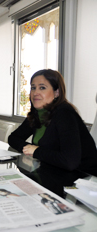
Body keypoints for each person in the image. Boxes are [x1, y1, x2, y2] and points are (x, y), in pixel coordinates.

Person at [8, 69, 97, 197]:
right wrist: (29, 149)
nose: (35, 92)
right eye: (33, 88)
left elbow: (69, 161)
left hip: (83, 183)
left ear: (56, 93)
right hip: (54, 173)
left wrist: (36, 151)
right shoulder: (38, 113)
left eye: (42, 87)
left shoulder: (64, 113)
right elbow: (13, 138)